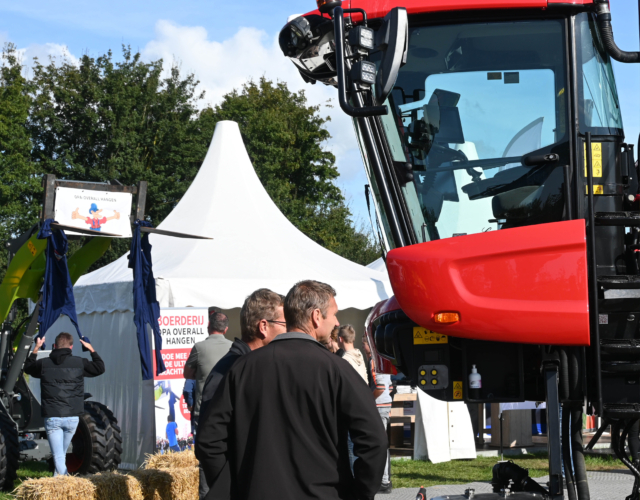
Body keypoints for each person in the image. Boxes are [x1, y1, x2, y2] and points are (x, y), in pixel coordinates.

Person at [196, 280, 387, 500]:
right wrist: (359, 495)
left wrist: (233, 487)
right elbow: (374, 440)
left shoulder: (242, 368)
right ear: (316, 316)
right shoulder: (337, 369)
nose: (336, 323)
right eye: (334, 314)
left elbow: (209, 440)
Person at [197, 288, 286, 500]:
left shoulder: (250, 365)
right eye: (284, 325)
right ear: (264, 326)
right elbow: (209, 441)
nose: (288, 331)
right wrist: (230, 486)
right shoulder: (231, 369)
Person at [24, 332, 105, 476]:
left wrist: (36, 347)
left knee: (59, 457)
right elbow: (100, 368)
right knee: (60, 455)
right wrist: (91, 349)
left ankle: (67, 484)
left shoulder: (44, 364)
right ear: (71, 347)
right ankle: (61, 488)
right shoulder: (80, 363)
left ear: (54, 346)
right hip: (73, 418)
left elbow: (28, 367)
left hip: (53, 417)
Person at [184, 307, 232, 435]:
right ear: (226, 329)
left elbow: (187, 374)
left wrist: (200, 374)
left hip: (204, 409)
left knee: (203, 450)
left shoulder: (199, 347)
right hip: (227, 409)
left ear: (208, 326)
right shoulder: (233, 347)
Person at [362, 335, 393, 493]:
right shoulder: (383, 359)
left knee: (379, 444)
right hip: (385, 405)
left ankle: (384, 481)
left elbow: (380, 387)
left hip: (379, 405)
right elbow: (390, 387)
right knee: (383, 443)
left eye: (364, 344)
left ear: (370, 344)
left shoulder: (374, 361)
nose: (363, 347)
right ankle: (385, 479)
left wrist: (368, 399)